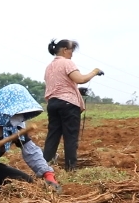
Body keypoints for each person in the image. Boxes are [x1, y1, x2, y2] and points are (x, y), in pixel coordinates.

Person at [42, 39, 102, 171]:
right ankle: (71, 169)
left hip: (53, 103)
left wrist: (77, 92)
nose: (72, 54)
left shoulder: (49, 67)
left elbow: (60, 86)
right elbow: (80, 79)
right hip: (68, 105)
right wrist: (95, 71)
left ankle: (43, 166)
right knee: (70, 137)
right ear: (64, 50)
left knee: (53, 136)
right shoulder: (66, 63)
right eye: (71, 50)